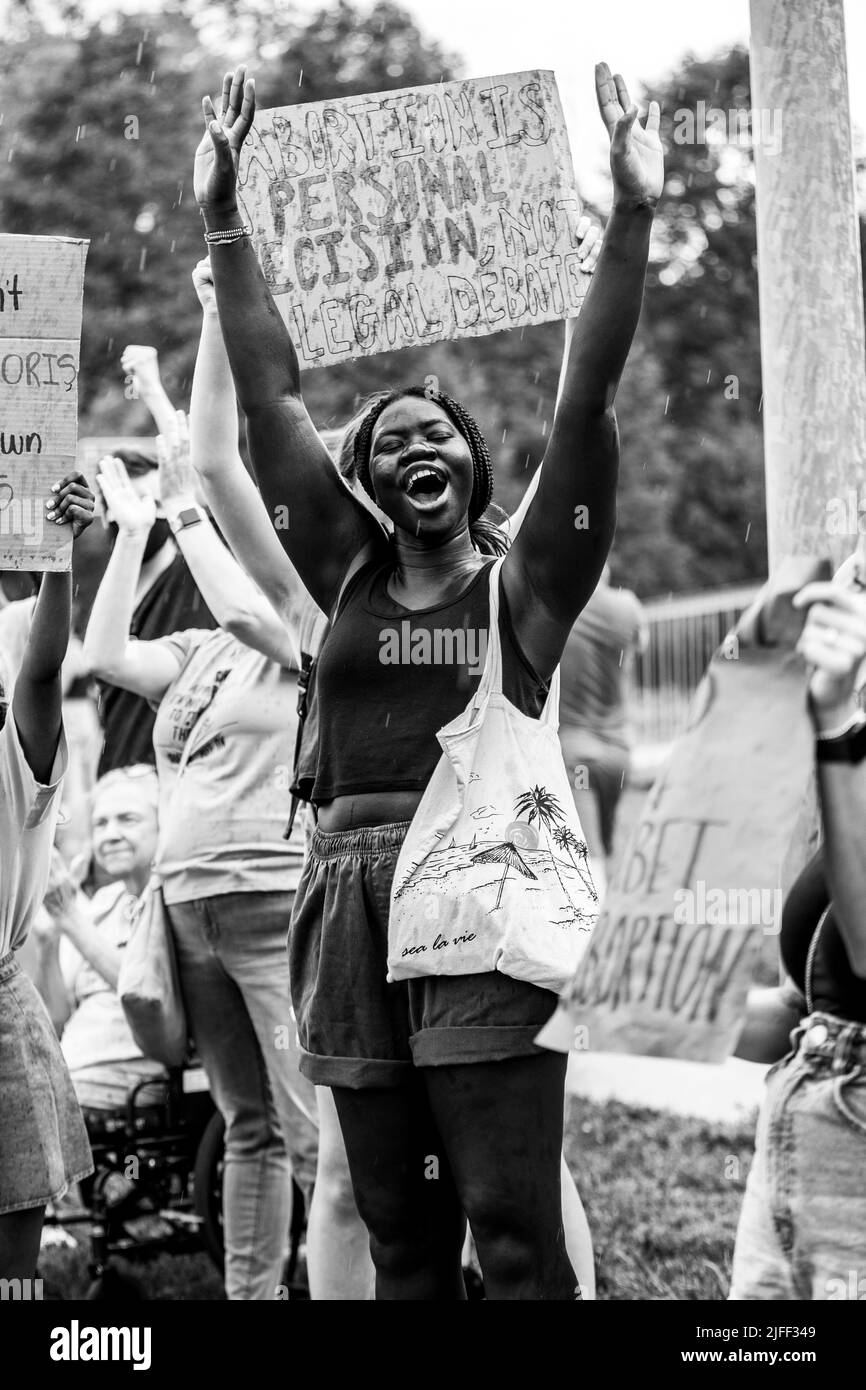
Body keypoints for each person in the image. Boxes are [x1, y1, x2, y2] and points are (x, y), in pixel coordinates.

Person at [195, 61, 660, 1300]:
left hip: (479, 896)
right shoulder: (342, 575)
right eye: (387, 441)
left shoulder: (528, 592)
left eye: (435, 432)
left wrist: (627, 216)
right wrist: (227, 223)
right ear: (363, 483)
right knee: (398, 1238)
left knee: (509, 1236)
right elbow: (268, 397)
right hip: (343, 901)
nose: (414, 446)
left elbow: (588, 400)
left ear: (471, 465)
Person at [83, 424, 319, 1300]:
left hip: (271, 900)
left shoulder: (303, 625)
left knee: (309, 1130)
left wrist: (184, 497)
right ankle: (252, 1297)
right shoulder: (199, 650)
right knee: (245, 1122)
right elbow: (107, 655)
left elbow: (242, 603)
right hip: (188, 911)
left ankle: (345, 1282)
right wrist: (136, 530)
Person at [729, 564, 866, 1300]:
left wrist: (836, 727)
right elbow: (810, 1010)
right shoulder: (849, 753)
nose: (849, 576)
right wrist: (604, 1005)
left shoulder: (847, 743)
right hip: (797, 1135)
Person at [0, 473, 96, 1279]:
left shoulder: (14, 757)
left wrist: (57, 556)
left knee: (11, 1276)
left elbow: (41, 669)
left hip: (4, 1041)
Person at [29, 768, 167, 1113]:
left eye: (127, 820)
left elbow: (148, 996)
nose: (111, 834)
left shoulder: (171, 900)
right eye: (101, 824)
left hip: (128, 1081)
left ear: (163, 826)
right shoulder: (103, 904)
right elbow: (58, 1017)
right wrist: (48, 941)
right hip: (70, 1073)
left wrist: (69, 917)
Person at [94, 428, 217, 776]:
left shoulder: (199, 573)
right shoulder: (106, 599)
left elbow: (209, 476)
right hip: (118, 778)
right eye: (129, 501)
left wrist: (149, 385)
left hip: (184, 776)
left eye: (155, 501)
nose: (145, 513)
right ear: (107, 514)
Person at [558, 564, 648, 885]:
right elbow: (640, 645)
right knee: (610, 849)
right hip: (619, 753)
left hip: (577, 757)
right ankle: (618, 923)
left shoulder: (561, 608)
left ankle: (599, 931)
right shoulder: (628, 607)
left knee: (588, 854)